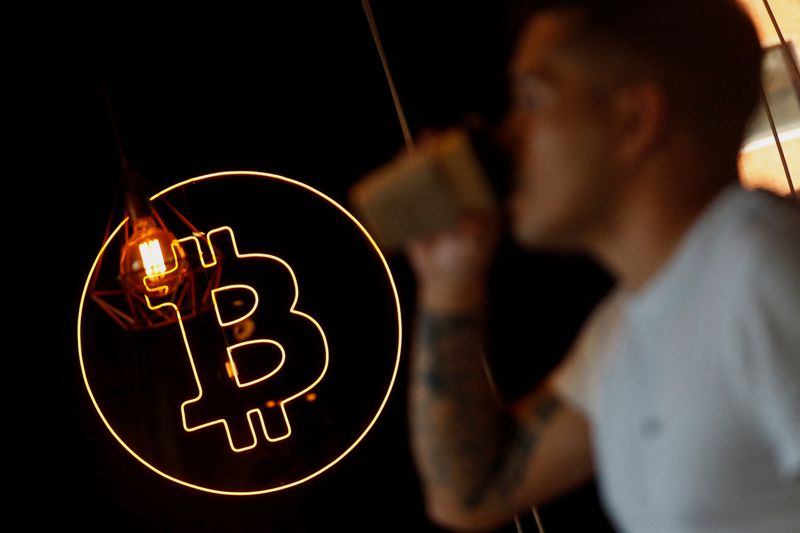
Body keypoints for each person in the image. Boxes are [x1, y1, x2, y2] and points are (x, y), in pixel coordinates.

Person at [404, 0, 800, 531]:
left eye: (531, 99)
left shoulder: (767, 269)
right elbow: (468, 497)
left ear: (634, 120)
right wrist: (449, 281)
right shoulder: (623, 330)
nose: (509, 135)